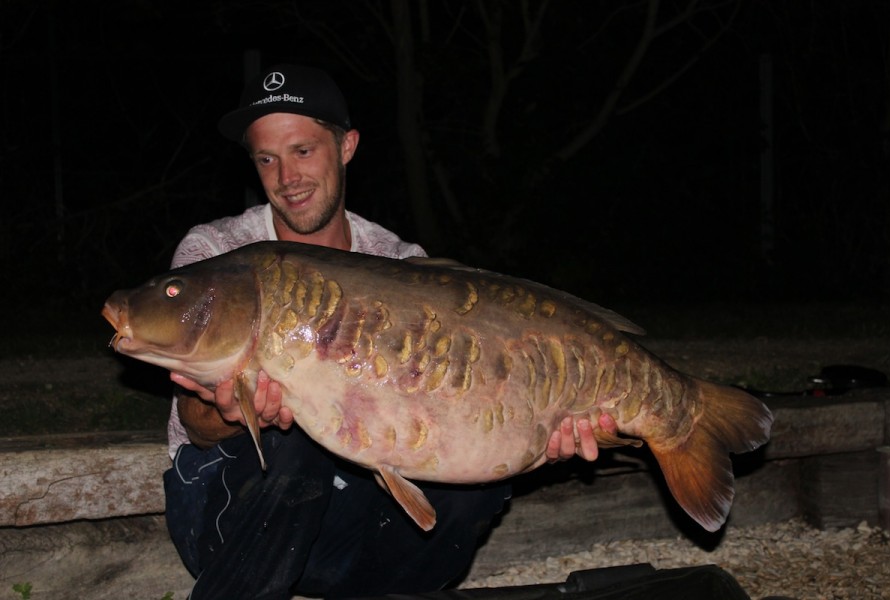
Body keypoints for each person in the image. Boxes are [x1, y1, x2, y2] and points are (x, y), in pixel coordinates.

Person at [163, 64, 610, 600]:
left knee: (472, 486)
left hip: (350, 523)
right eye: (267, 159)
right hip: (225, 514)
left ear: (347, 145)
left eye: (303, 151)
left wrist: (538, 428)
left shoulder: (403, 264)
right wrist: (230, 413)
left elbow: (461, 404)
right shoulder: (216, 255)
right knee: (294, 432)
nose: (287, 178)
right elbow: (195, 423)